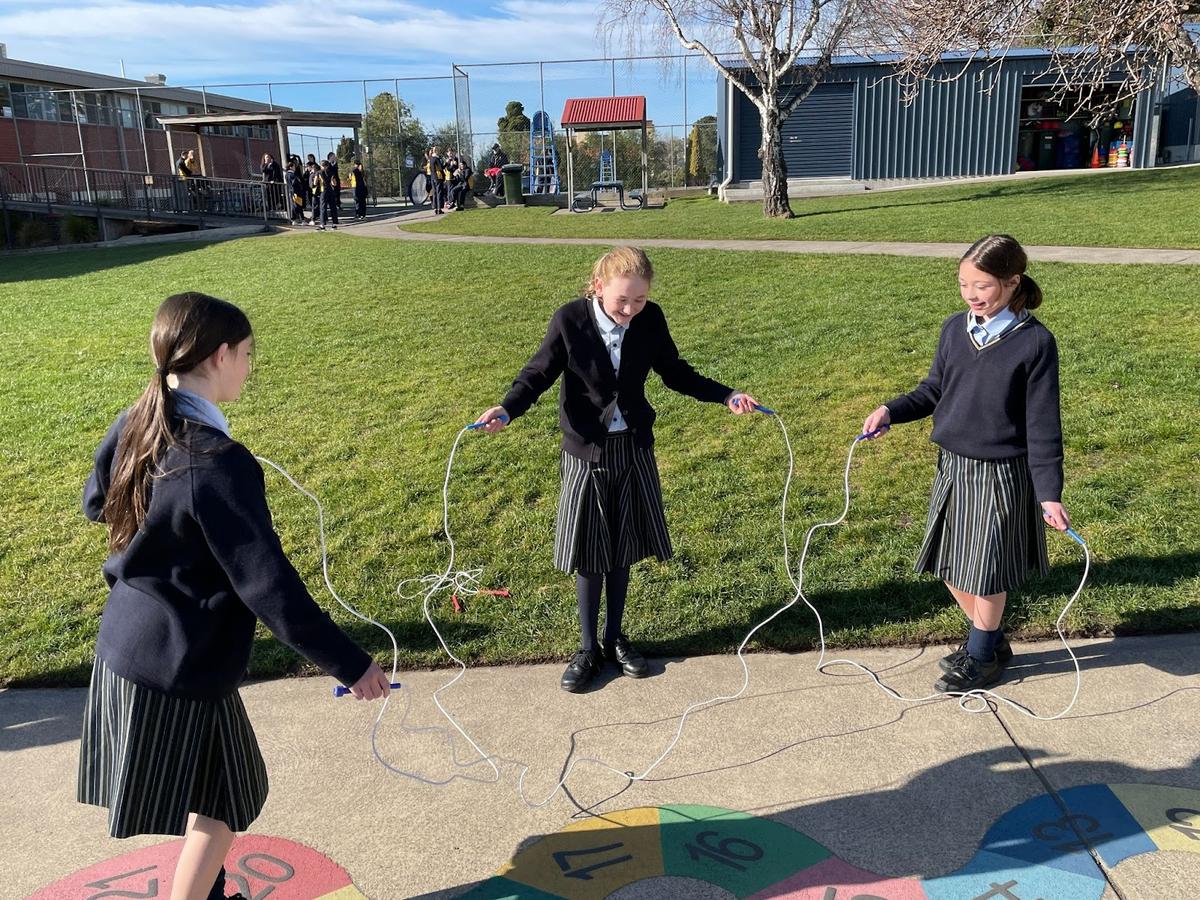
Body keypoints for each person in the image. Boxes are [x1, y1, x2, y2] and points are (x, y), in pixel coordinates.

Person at [78, 292, 390, 900]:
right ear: (220, 356)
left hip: (132, 645)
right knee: (224, 805)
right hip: (176, 665)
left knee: (219, 792)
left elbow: (97, 503)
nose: (250, 365)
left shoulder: (141, 418)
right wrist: (352, 665)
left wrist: (170, 542)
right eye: (247, 353)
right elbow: (268, 586)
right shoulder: (216, 464)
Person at [474, 247, 761, 693]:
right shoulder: (570, 320)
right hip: (586, 451)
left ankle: (615, 638)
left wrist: (726, 395)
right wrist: (508, 409)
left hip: (633, 447)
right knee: (591, 552)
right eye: (622, 300)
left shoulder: (650, 319)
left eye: (639, 300)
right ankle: (588, 648)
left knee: (623, 545)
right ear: (598, 287)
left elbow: (675, 372)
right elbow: (537, 374)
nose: (630, 310)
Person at [861, 234, 1070, 694]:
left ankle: (981, 657)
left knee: (986, 571)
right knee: (950, 564)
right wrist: (891, 410)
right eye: (963, 284)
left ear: (1012, 282)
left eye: (982, 286)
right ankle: (991, 642)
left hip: (1000, 474)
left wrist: (1049, 493)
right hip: (953, 467)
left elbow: (1042, 425)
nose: (971, 295)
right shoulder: (955, 328)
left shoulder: (1035, 343)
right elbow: (933, 390)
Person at [320, 159, 339, 229]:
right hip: (331, 190)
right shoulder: (332, 173)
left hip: (323, 191)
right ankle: (334, 224)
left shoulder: (319, 173)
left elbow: (315, 182)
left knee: (323, 207)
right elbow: (334, 183)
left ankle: (322, 224)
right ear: (328, 166)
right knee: (333, 207)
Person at [284, 158, 305, 225]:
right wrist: (295, 192)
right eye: (294, 166)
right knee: (297, 206)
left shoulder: (287, 174)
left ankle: (296, 219)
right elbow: (294, 184)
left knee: (295, 205)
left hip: (292, 191)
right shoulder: (292, 175)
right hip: (296, 192)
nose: (295, 168)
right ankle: (299, 219)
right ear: (291, 167)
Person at [429, 146, 446, 215]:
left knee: (435, 193)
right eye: (438, 150)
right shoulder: (436, 158)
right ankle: (439, 209)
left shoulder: (431, 159)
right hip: (438, 177)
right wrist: (446, 163)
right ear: (436, 151)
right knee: (439, 193)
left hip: (433, 177)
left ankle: (435, 208)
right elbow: (441, 167)